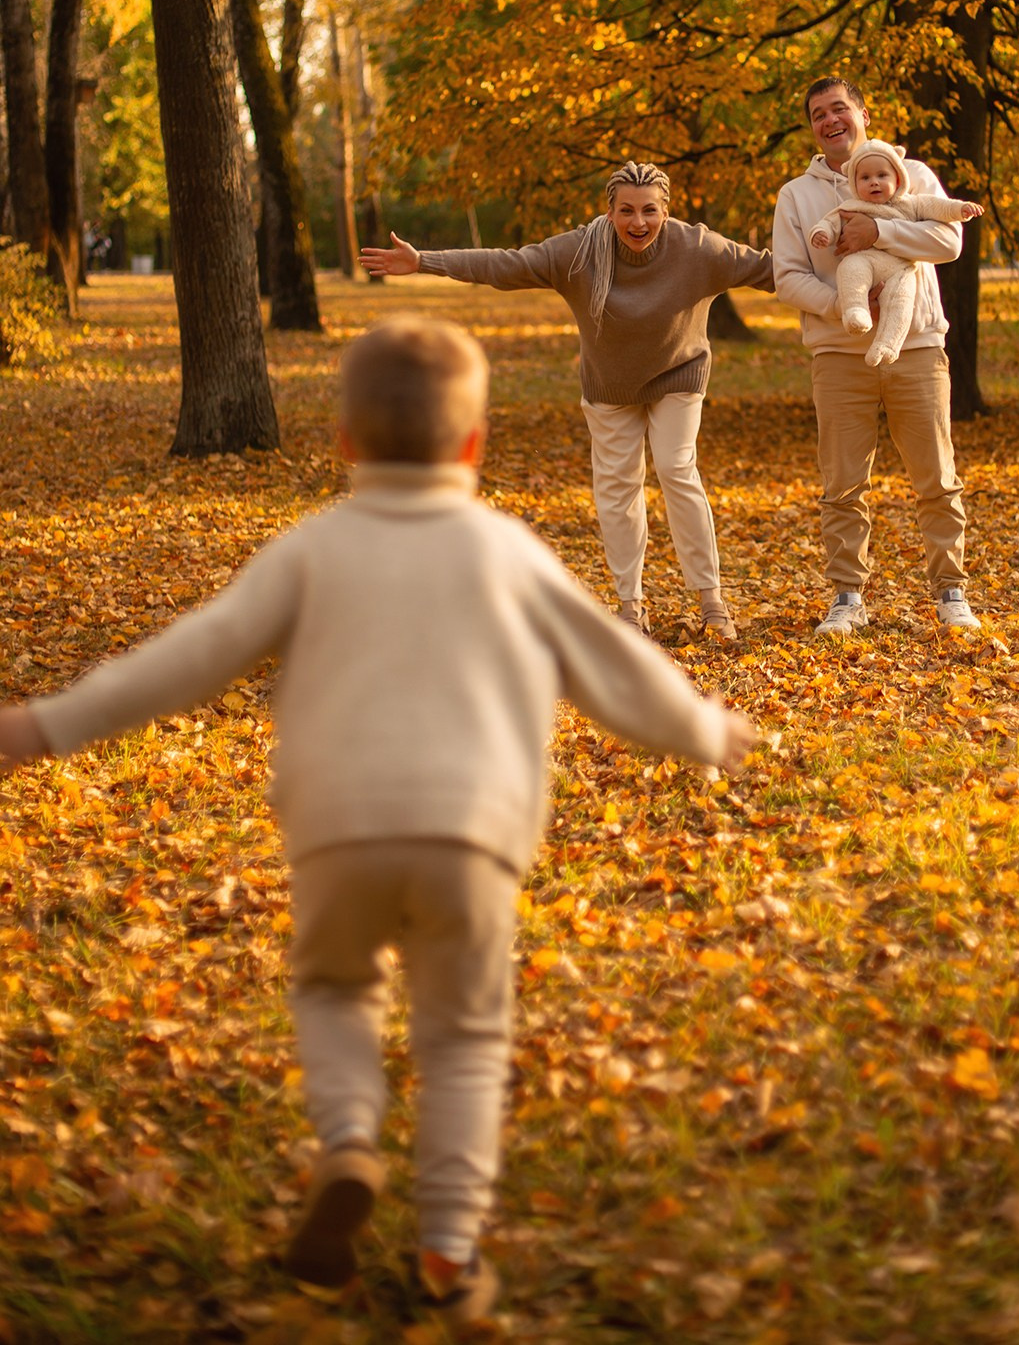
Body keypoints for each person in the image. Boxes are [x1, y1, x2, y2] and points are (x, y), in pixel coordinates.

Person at [0, 318, 756, 1333]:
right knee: (463, 1038)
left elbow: (190, 658)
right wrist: (706, 732)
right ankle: (448, 1249)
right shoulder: (507, 551)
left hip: (338, 830)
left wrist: (46, 724)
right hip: (474, 838)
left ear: (346, 445)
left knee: (335, 987)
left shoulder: (312, 550)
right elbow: (617, 673)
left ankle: (350, 1138)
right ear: (476, 444)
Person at [359, 161, 774, 643]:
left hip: (678, 373)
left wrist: (845, 273)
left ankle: (712, 601)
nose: (638, 223)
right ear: (610, 211)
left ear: (666, 210)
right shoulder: (580, 251)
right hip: (609, 385)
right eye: (626, 211)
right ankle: (630, 606)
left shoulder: (698, 248)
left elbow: (769, 268)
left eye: (649, 211)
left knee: (676, 468)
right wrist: (425, 261)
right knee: (617, 488)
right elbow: (506, 264)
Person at [772, 77, 981, 636]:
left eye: (839, 108)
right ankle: (847, 597)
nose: (830, 120)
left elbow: (948, 242)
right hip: (839, 354)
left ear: (863, 113)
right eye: (818, 114)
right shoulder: (798, 194)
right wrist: (843, 306)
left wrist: (876, 232)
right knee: (842, 483)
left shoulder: (911, 175)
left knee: (936, 475)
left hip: (915, 347)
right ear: (813, 127)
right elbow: (787, 277)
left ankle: (951, 592)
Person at [809, 140, 984, 368]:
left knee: (901, 301)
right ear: (854, 183)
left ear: (898, 179)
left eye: (882, 176)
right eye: (865, 178)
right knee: (850, 270)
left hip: (900, 269)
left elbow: (938, 207)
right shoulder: (852, 206)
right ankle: (855, 310)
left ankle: (888, 344)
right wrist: (821, 233)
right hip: (865, 261)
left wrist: (960, 209)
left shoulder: (910, 203)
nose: (874, 183)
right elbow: (830, 222)